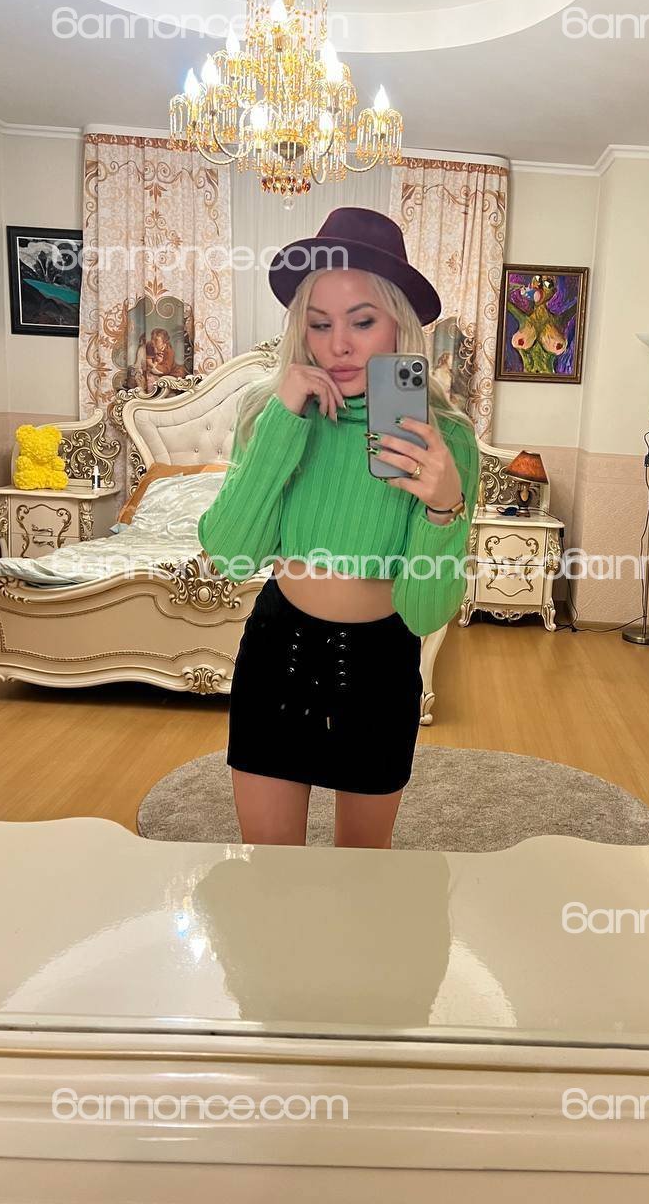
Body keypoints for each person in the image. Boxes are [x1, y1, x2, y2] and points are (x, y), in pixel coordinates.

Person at [197, 207, 480, 850]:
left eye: (362, 321)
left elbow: (424, 611)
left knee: (363, 878)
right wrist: (282, 422)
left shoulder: (446, 438)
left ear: (398, 324)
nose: (339, 346)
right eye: (320, 324)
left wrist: (443, 509)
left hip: (381, 664)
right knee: (270, 875)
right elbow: (231, 555)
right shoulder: (269, 412)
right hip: (279, 651)